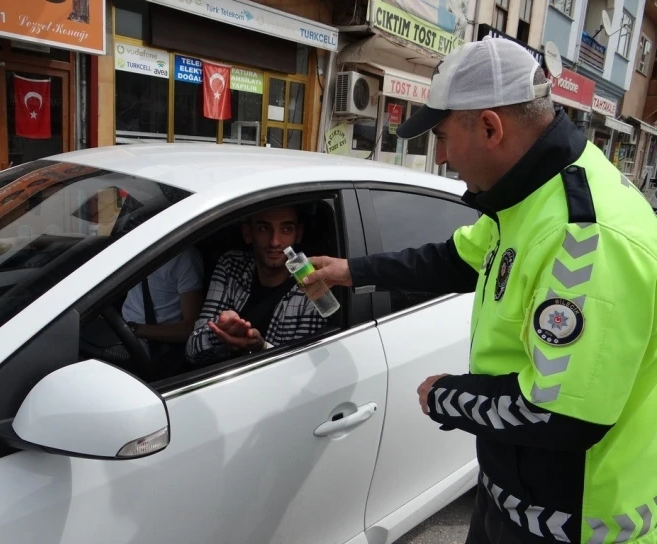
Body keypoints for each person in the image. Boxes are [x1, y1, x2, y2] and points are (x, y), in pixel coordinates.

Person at [304, 37, 657, 544]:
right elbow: (454, 260)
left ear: (491, 128)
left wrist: (449, 396)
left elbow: (559, 414)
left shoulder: (587, 238)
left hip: (575, 521)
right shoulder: (528, 194)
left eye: (443, 137)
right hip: (511, 494)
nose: (441, 157)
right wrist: (350, 270)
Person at [186, 205, 327, 364]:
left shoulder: (312, 284)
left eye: (286, 229)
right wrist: (220, 332)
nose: (275, 241)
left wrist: (261, 347)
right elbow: (192, 350)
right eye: (263, 228)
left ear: (298, 234)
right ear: (248, 233)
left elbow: (303, 368)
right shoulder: (231, 266)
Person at [123, 247, 204, 363]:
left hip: (156, 348)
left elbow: (190, 327)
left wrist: (135, 329)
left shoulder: (186, 258)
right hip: (123, 331)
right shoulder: (139, 248)